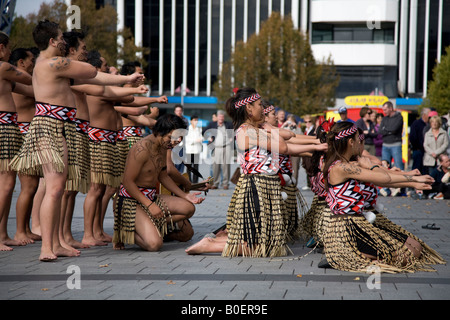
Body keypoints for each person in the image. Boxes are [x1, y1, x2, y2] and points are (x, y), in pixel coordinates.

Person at [321, 121, 445, 272]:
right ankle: (345, 254)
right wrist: (411, 181)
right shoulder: (341, 167)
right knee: (406, 257)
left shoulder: (349, 164)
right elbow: (383, 178)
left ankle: (348, 255)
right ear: (350, 141)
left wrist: (413, 181)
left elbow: (387, 178)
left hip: (359, 221)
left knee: (416, 247)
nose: (362, 143)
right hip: (348, 227)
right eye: (359, 139)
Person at [113, 114, 205, 251]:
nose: (176, 141)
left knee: (189, 208)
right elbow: (127, 182)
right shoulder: (141, 149)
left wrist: (184, 195)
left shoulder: (163, 147)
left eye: (180, 138)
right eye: (172, 137)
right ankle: (124, 230)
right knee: (155, 245)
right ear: (159, 132)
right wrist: (149, 205)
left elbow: (163, 175)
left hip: (151, 197)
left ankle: (150, 225)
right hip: (130, 200)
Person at [9, 48, 40, 246]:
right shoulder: (19, 79)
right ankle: (20, 230)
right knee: (28, 185)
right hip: (23, 131)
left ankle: (26, 228)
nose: (33, 63)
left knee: (33, 185)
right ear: (21, 62)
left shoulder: (22, 78)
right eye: (31, 60)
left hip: (29, 131)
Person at [206, 110, 233, 190]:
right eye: (220, 117)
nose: (221, 118)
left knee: (226, 166)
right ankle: (215, 183)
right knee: (215, 166)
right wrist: (209, 138)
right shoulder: (212, 124)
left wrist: (232, 138)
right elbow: (204, 131)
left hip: (226, 147)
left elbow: (235, 132)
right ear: (217, 117)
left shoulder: (228, 124)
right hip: (216, 147)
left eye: (222, 117)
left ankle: (225, 183)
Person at [379, 101, 404, 170]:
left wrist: (386, 130)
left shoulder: (399, 117)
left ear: (391, 108)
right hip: (385, 145)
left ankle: (402, 180)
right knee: (385, 166)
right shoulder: (384, 118)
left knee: (398, 165)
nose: (384, 112)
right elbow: (380, 131)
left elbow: (394, 129)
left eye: (385, 110)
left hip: (396, 144)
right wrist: (390, 131)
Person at [409, 108, 430, 175]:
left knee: (425, 170)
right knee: (417, 169)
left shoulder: (429, 124)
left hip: (427, 150)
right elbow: (412, 137)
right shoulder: (416, 123)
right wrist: (418, 147)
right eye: (429, 114)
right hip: (418, 150)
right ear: (424, 115)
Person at [185, 115, 203, 183]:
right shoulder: (188, 129)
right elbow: (187, 140)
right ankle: (189, 180)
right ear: (191, 121)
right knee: (189, 167)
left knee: (196, 167)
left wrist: (201, 139)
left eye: (197, 120)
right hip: (189, 150)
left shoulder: (199, 129)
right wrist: (196, 140)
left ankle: (195, 181)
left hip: (196, 150)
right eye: (194, 120)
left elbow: (201, 137)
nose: (196, 122)